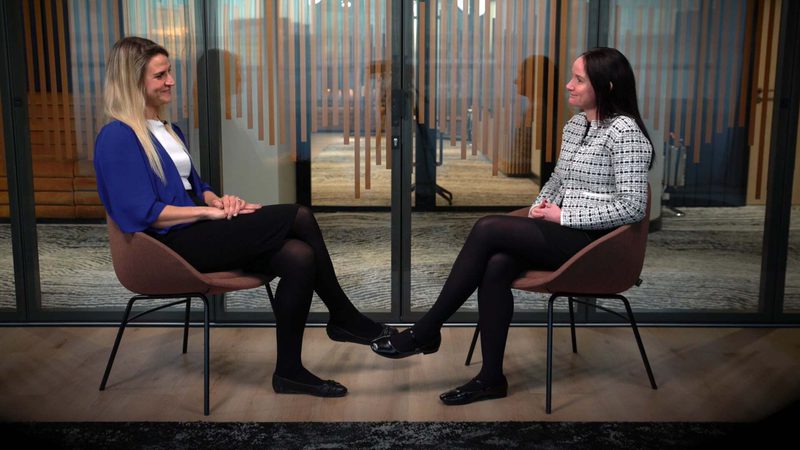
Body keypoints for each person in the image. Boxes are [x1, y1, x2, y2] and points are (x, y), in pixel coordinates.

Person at [94, 36, 395, 398]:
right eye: (160, 75)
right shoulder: (117, 137)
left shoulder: (166, 128)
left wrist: (218, 200)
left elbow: (194, 184)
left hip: (196, 232)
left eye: (169, 71)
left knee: (299, 257)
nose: (171, 80)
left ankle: (290, 373)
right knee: (298, 216)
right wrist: (207, 211)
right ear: (133, 82)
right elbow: (142, 214)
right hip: (170, 246)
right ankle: (344, 317)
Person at [372, 47, 654, 405]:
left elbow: (632, 207)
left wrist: (564, 216)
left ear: (607, 85)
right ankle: (491, 379)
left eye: (578, 80)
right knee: (496, 265)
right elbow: (559, 180)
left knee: (488, 228)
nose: (568, 85)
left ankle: (426, 330)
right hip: (565, 235)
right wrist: (541, 204)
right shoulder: (576, 125)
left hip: (596, 244)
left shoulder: (625, 132)